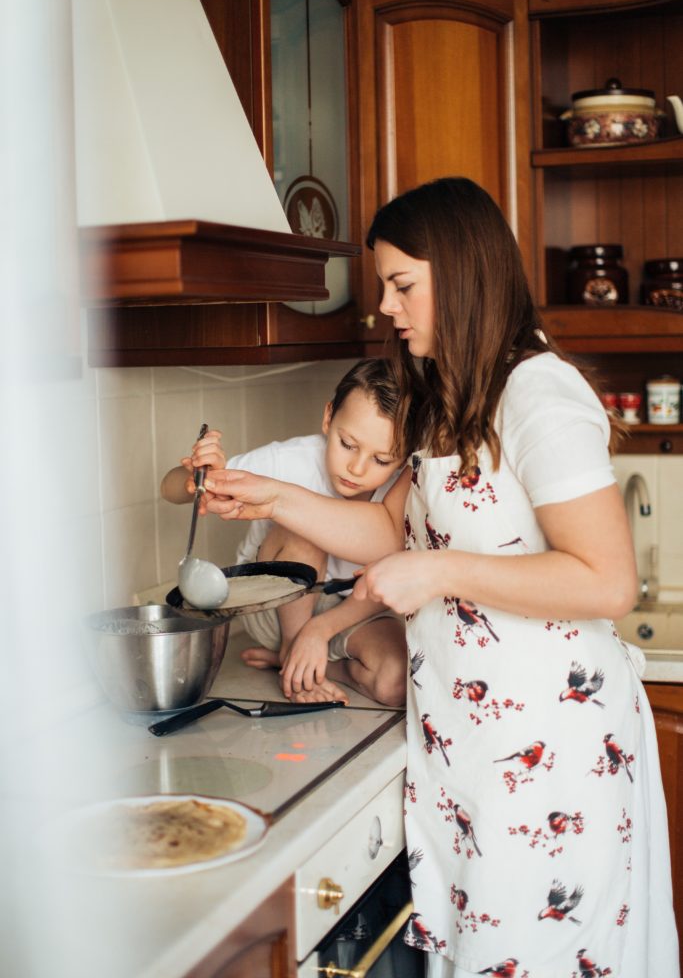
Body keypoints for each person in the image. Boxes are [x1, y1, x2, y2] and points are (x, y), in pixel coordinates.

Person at [199, 177, 679, 977]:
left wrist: (441, 571)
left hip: (547, 754)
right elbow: (393, 531)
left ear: (460, 273)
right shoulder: (442, 393)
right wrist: (274, 495)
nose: (385, 306)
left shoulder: (538, 394)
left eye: (401, 285)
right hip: (465, 746)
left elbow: (604, 582)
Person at [161, 358, 407, 708]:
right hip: (275, 608)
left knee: (397, 682)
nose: (357, 467)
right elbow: (168, 488)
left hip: (354, 610)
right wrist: (198, 477)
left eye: (382, 460)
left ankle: (305, 662)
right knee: (306, 530)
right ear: (328, 418)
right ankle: (293, 648)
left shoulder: (403, 491)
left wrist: (319, 632)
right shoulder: (291, 459)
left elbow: (396, 577)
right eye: (347, 444)